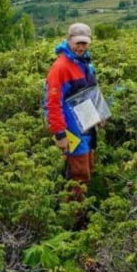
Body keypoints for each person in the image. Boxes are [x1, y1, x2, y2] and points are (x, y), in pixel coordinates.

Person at [44, 22, 100, 202]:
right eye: (77, 43)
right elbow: (52, 104)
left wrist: (100, 114)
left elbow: (92, 91)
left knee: (88, 167)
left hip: (88, 125)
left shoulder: (86, 63)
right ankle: (74, 216)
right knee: (78, 173)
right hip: (72, 129)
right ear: (69, 40)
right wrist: (60, 134)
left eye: (84, 43)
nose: (81, 47)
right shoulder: (60, 67)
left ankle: (82, 206)